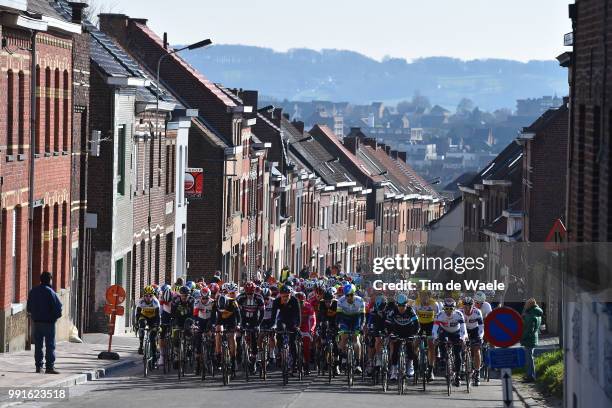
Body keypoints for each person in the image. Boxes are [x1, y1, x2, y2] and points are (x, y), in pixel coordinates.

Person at [27, 272, 62, 374]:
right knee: (50, 345)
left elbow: (29, 307)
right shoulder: (50, 292)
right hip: (48, 323)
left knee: (38, 345)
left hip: (36, 322)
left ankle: (39, 367)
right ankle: (49, 367)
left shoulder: (33, 291)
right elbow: (58, 308)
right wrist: (54, 317)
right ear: (49, 280)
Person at [432, 298, 467, 387]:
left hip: (456, 332)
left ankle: (458, 376)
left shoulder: (459, 315)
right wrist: (435, 338)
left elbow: (464, 329)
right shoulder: (440, 315)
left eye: (451, 309)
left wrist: (463, 338)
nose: (448, 311)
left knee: (458, 354)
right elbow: (435, 329)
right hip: (444, 331)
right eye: (446, 309)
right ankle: (444, 359)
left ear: (454, 309)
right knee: (441, 343)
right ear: (444, 308)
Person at [385, 293, 420, 380]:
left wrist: (414, 334)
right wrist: (390, 333)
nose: (401, 308)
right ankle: (394, 371)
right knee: (395, 349)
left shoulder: (410, 310)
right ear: (397, 304)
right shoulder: (393, 311)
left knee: (410, 347)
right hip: (397, 331)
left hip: (409, 331)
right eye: (399, 305)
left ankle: (410, 366)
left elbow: (417, 324)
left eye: (403, 305)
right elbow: (387, 324)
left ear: (406, 304)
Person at [336, 283, 366, 374]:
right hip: (345, 319)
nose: (349, 297)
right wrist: (338, 325)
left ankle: (358, 364)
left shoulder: (360, 301)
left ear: (354, 294)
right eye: (347, 295)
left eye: (351, 295)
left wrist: (361, 327)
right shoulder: (340, 301)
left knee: (356, 339)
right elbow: (338, 316)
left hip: (356, 319)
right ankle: (344, 358)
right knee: (344, 337)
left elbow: (363, 316)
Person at [415, 290, 439, 381]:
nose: (423, 298)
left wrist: (435, 332)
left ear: (429, 297)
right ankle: (415, 364)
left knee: (431, 346)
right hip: (419, 324)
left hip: (430, 324)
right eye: (421, 295)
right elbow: (413, 316)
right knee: (415, 344)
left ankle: (431, 370)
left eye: (425, 296)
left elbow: (438, 317)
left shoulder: (434, 304)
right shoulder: (416, 303)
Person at [462, 296, 484, 386]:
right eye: (465, 306)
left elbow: (481, 326)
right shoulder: (460, 312)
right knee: (462, 348)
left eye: (469, 306)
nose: (467, 308)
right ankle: (462, 365)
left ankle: (477, 373)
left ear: (473, 306)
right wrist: (462, 337)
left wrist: (481, 336)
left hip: (475, 330)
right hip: (464, 330)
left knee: (476, 350)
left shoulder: (477, 312)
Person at [520, 298, 542, 383]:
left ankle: (531, 376)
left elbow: (528, 329)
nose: (525, 306)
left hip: (529, 339)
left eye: (526, 304)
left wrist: (522, 338)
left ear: (529, 305)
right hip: (533, 338)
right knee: (530, 358)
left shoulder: (531, 315)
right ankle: (530, 375)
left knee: (529, 359)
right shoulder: (536, 313)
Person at [136, 286, 161, 357]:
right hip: (144, 317)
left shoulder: (156, 302)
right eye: (146, 295)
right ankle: (141, 346)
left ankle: (154, 354)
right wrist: (136, 324)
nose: (148, 297)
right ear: (143, 296)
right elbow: (137, 314)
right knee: (141, 324)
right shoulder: (141, 301)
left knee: (152, 338)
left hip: (153, 318)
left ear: (153, 295)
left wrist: (158, 326)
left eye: (150, 295)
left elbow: (158, 316)